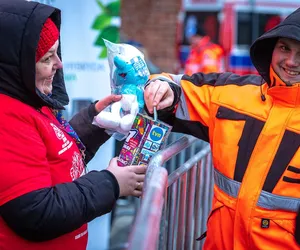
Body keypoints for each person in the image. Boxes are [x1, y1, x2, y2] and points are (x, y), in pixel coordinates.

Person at [144, 7, 300, 250]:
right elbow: (176, 87)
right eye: (284, 48)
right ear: (272, 48)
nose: (291, 61)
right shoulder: (231, 92)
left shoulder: (210, 53)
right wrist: (161, 87)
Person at [0, 1, 146, 249]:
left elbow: (56, 154)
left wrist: (96, 122)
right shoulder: (7, 117)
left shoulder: (31, 100)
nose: (59, 64)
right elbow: (37, 213)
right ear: (17, 64)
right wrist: (111, 183)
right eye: (47, 57)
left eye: (57, 52)